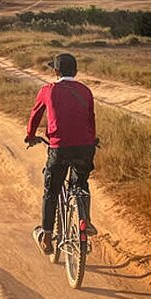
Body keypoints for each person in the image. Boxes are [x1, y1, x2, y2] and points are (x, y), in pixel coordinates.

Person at [25, 53, 98, 255]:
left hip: (60, 148)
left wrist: (30, 135)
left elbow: (35, 115)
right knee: (81, 183)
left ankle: (47, 237)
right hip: (86, 147)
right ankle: (87, 221)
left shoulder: (48, 90)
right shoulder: (86, 91)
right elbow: (90, 119)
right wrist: (91, 139)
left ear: (56, 71)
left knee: (51, 190)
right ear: (75, 71)